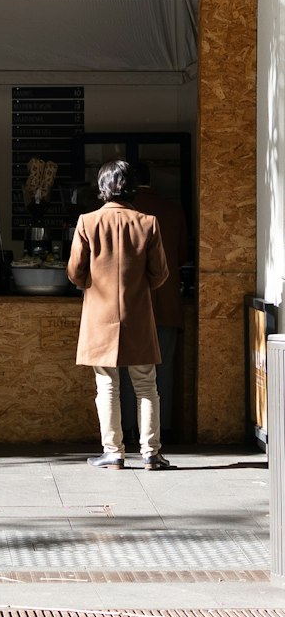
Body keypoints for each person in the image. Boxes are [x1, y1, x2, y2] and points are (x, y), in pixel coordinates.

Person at [66, 159, 170, 471]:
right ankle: (151, 452)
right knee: (146, 385)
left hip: (99, 317)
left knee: (107, 386)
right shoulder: (148, 223)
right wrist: (139, 287)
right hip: (137, 315)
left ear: (102, 188)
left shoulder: (87, 222)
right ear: (132, 187)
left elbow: (74, 272)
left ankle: (113, 452)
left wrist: (90, 284)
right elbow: (160, 274)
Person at [120, 161, 191, 447]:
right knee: (163, 372)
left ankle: (128, 429)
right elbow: (182, 254)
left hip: (130, 307)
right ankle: (165, 431)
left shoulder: (124, 213)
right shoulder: (173, 210)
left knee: (126, 373)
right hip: (167, 303)